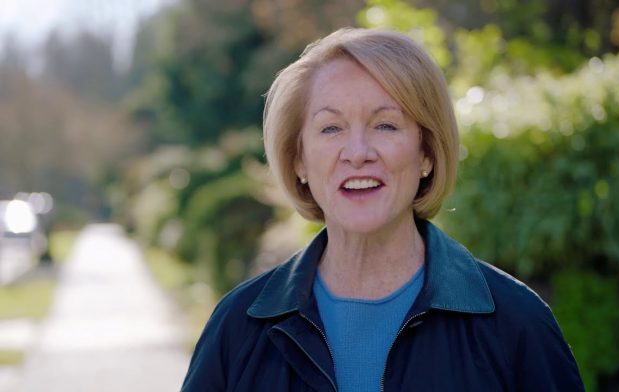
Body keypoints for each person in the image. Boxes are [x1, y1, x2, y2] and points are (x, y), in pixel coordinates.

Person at [181, 28, 584, 391]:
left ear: (427, 152)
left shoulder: (516, 325)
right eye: (331, 128)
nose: (357, 153)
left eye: (386, 125)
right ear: (299, 160)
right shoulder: (238, 328)